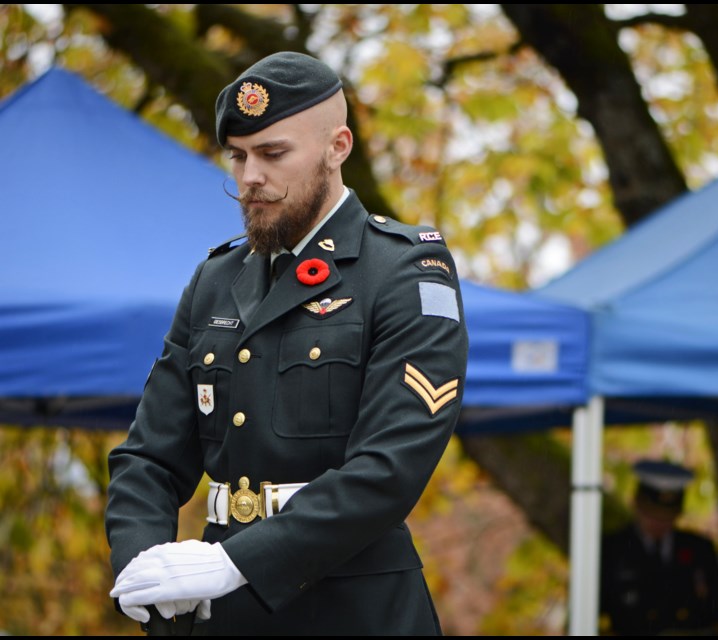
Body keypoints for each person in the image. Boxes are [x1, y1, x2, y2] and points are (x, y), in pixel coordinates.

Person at [105, 51, 469, 636]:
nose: (250, 176)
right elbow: (149, 458)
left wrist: (238, 562)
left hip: (353, 609)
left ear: (338, 147)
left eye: (274, 154)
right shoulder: (217, 280)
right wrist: (143, 571)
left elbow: (389, 469)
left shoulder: (404, 271)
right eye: (239, 156)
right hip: (213, 608)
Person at [599, 459, 718, 636]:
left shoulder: (699, 549)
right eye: (652, 514)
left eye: (667, 516)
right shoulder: (612, 550)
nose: (659, 524)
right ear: (637, 505)